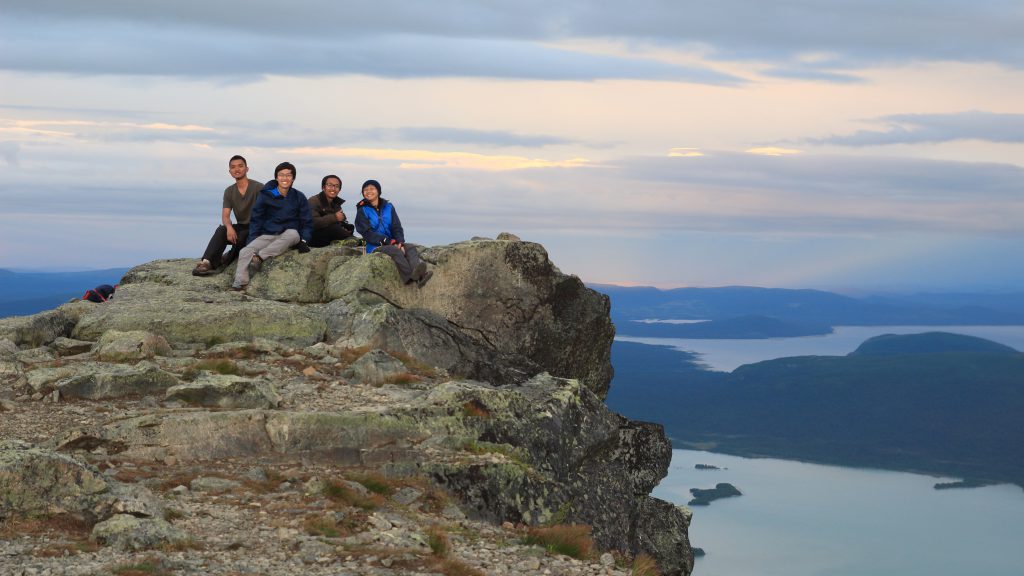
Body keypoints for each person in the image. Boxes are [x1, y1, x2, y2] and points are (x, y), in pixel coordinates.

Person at [231, 161, 313, 291]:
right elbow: (256, 219)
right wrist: (252, 241)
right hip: (269, 234)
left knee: (293, 234)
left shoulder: (299, 196)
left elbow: (307, 221)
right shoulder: (266, 195)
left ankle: (260, 257)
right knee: (245, 251)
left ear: (293, 178)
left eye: (288, 175)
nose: (285, 178)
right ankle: (240, 283)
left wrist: (304, 240)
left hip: (290, 235)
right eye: (281, 175)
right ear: (276, 177)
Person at [192, 155, 262, 276]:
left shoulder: (259, 187)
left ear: (247, 169)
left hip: (257, 227)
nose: (237, 169)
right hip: (241, 226)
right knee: (221, 230)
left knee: (243, 236)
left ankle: (226, 260)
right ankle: (207, 263)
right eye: (233, 167)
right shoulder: (229, 191)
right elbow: (225, 215)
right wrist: (229, 228)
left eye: (240, 166)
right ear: (230, 171)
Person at [355, 179, 432, 287]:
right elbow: (366, 233)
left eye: (372, 188)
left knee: (410, 247)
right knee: (394, 250)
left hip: (392, 241)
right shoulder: (362, 210)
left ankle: (419, 276)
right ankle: (409, 278)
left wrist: (400, 241)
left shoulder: (389, 207)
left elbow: (397, 227)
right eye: (365, 190)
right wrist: (388, 241)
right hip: (375, 245)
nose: (368, 191)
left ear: (378, 191)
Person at [308, 174, 355, 247]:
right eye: (329, 185)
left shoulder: (336, 204)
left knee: (348, 227)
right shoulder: (313, 201)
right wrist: (335, 217)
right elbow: (312, 223)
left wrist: (344, 228)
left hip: (327, 237)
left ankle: (352, 239)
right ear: (323, 187)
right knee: (333, 228)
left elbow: (338, 223)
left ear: (339, 189)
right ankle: (355, 240)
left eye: (336, 186)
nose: (333, 188)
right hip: (311, 237)